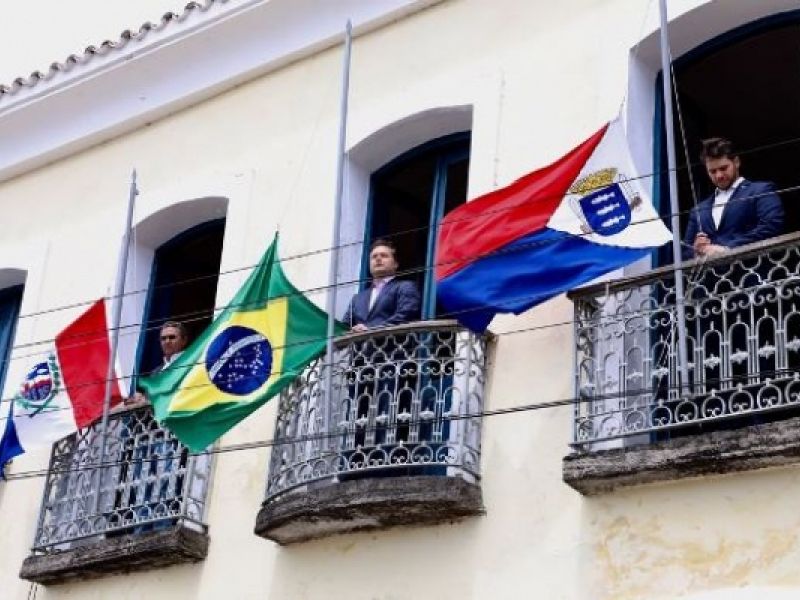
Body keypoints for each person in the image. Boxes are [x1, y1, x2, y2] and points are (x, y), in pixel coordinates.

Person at [683, 137, 784, 259]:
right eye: (712, 171)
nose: (719, 175)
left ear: (736, 162)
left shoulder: (761, 190)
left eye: (723, 168)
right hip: (713, 272)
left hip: (752, 268)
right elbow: (685, 253)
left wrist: (728, 248)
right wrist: (696, 250)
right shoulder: (698, 210)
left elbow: (771, 226)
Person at [341, 239, 421, 331]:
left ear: (395, 264)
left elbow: (406, 315)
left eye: (384, 255)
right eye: (374, 257)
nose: (378, 259)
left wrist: (370, 329)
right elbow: (344, 328)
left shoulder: (405, 287)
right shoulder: (357, 299)